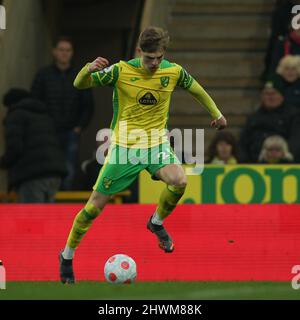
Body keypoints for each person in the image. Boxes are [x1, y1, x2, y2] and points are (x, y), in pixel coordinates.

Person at [59, 26, 227, 284]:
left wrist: (216, 113)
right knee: (94, 207)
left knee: (180, 181)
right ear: (139, 52)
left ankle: (156, 222)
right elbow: (79, 83)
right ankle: (67, 256)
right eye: (150, 58)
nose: (155, 63)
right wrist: (88, 68)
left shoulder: (173, 72)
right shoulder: (120, 71)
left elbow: (196, 89)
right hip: (125, 149)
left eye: (159, 57)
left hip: (156, 144)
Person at [31, 36, 94, 190]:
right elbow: (35, 101)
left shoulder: (80, 75)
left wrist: (79, 126)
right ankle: (50, 197)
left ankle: (65, 199)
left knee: (69, 166)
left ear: (72, 53)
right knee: (47, 164)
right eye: (61, 50)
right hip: (48, 131)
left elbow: (88, 105)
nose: (64, 53)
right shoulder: (43, 75)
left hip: (71, 130)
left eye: (68, 50)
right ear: (54, 52)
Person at [0, 89, 67, 203]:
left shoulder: (16, 116)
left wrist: (3, 162)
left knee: (32, 218)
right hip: (54, 174)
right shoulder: (44, 116)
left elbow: (15, 148)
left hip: (32, 176)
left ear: (11, 104)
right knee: (47, 218)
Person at [239, 81, 298, 163]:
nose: (270, 97)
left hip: (285, 164)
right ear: (262, 97)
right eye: (267, 94)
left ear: (282, 96)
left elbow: (296, 141)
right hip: (255, 164)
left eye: (273, 93)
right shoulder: (253, 118)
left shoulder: (293, 115)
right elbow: (243, 143)